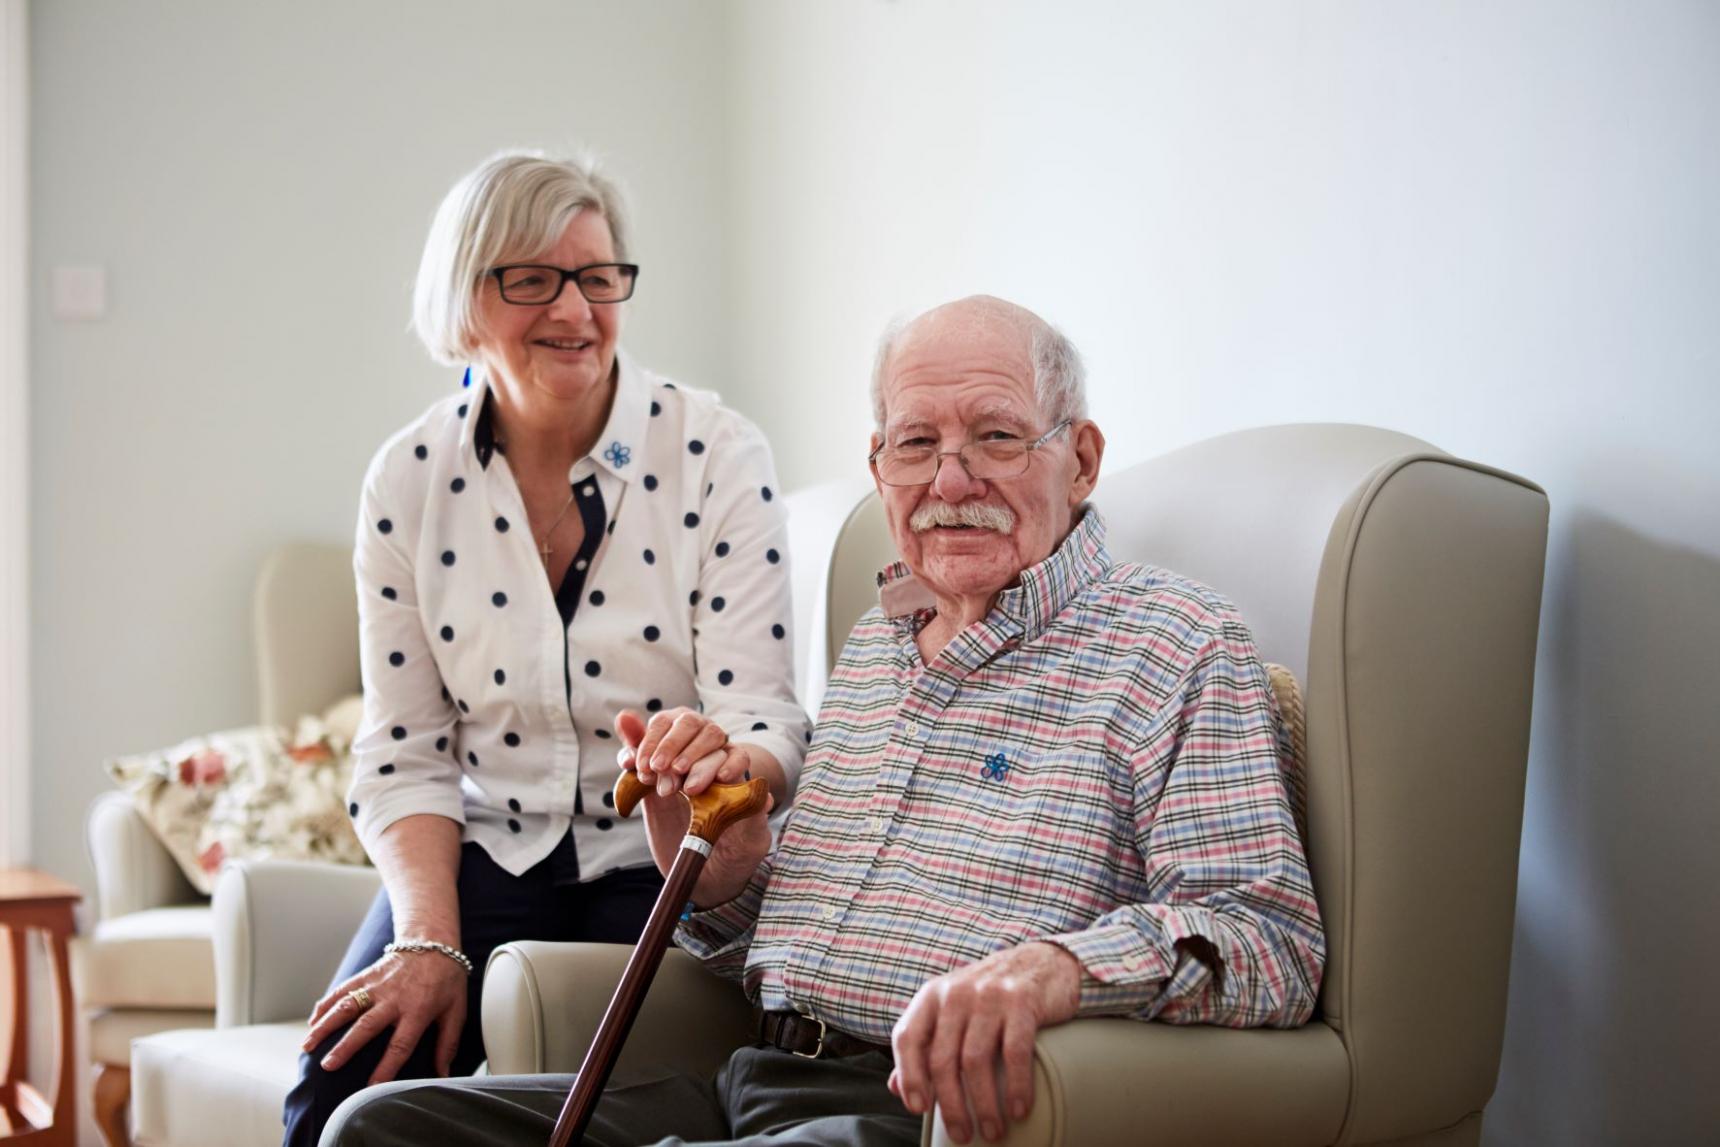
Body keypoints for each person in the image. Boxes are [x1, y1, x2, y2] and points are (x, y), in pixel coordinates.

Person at [322, 295, 1324, 1147]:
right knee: (377, 1130)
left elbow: (1264, 940)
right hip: (752, 1081)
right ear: (878, 465)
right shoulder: (881, 639)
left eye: (997, 435)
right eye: (915, 443)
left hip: (923, 1114)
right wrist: (717, 854)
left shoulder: (1176, 643)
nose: (950, 480)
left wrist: (1053, 970)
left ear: (1083, 458)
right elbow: (767, 930)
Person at [281, 151, 809, 1147]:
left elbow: (767, 717)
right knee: (333, 1088)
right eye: (532, 278)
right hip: (487, 851)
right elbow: (403, 751)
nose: (574, 310)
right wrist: (429, 937)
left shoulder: (716, 452)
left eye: (597, 277)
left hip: (657, 863)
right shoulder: (405, 480)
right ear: (465, 300)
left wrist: (718, 765)